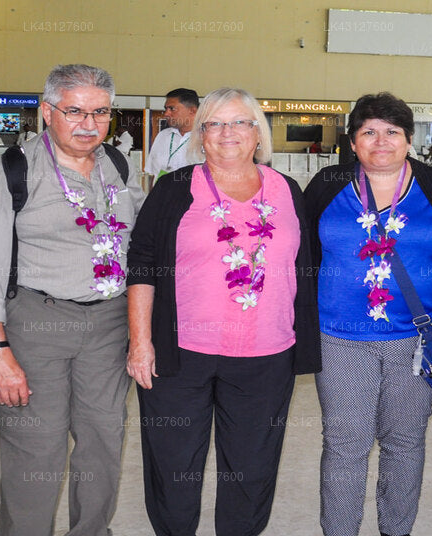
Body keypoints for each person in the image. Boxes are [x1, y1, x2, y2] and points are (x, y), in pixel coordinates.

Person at [126, 87, 320, 536]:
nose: (227, 132)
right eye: (214, 123)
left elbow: (305, 265)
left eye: (240, 122)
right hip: (179, 356)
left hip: (266, 357)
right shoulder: (174, 189)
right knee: (174, 469)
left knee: (251, 472)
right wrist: (140, 342)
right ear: (201, 133)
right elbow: (142, 264)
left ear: (258, 134)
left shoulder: (287, 190)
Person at [0, 64, 142, 536]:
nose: (88, 123)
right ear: (47, 112)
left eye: (100, 112)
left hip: (109, 326)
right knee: (35, 447)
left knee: (103, 440)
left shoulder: (118, 167)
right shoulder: (13, 171)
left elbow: (139, 241)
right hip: (36, 324)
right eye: (74, 111)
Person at [304, 93, 432, 536]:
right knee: (344, 444)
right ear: (353, 142)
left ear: (409, 139)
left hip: (416, 339)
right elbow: (302, 256)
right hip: (339, 338)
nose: (381, 141)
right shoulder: (328, 183)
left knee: (405, 443)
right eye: (368, 131)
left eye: (392, 132)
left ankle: (397, 530)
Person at [145, 87, 201, 186]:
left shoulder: (206, 138)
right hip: (162, 198)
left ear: (192, 111)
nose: (166, 114)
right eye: (165, 109)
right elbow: (153, 175)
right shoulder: (162, 136)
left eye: (172, 109)